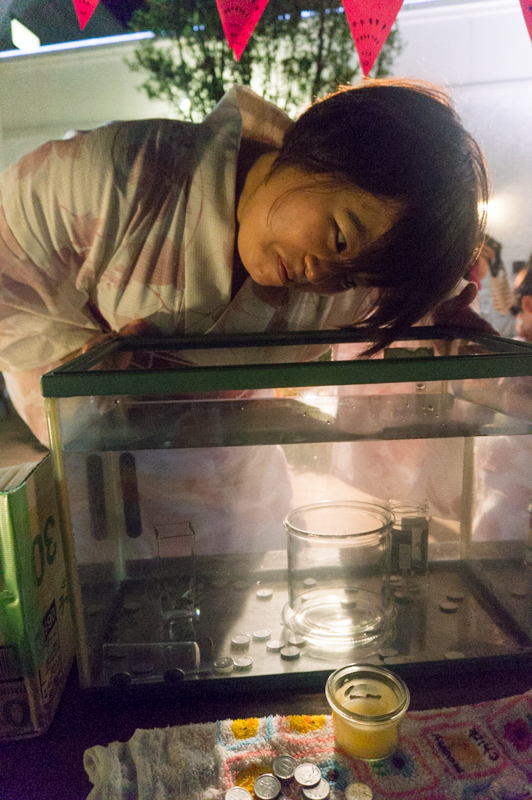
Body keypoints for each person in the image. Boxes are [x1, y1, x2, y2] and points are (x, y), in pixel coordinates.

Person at [0, 78, 492, 450]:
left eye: (348, 279)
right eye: (339, 236)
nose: (320, 275)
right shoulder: (119, 174)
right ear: (318, 148)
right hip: (98, 475)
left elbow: (402, 301)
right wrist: (86, 379)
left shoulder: (364, 276)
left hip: (235, 491)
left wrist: (445, 323)